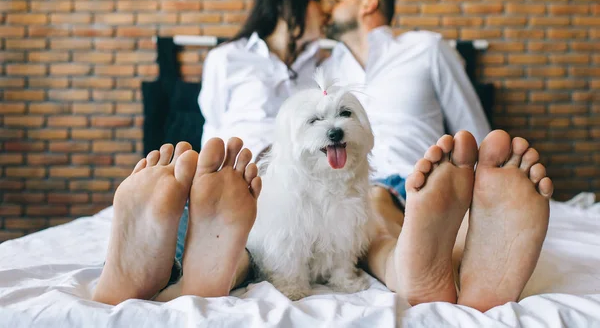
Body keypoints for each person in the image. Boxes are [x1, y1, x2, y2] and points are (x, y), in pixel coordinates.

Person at [92, 130, 553, 313]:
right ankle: (410, 264)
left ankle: (204, 267)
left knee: (252, 243)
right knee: (377, 219)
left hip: (252, 178)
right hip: (255, 176)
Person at [322, 0, 491, 234]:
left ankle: (461, 225)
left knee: (375, 205)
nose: (329, 9)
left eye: (338, 0)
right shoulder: (328, 69)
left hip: (419, 179)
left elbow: (470, 125)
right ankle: (432, 244)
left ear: (368, 5)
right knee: (358, 208)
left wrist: (487, 190)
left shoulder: (426, 48)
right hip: (351, 188)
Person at [198, 0, 326, 160]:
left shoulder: (322, 62)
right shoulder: (227, 57)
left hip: (303, 169)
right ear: (285, 5)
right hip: (244, 168)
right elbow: (214, 121)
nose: (326, 10)